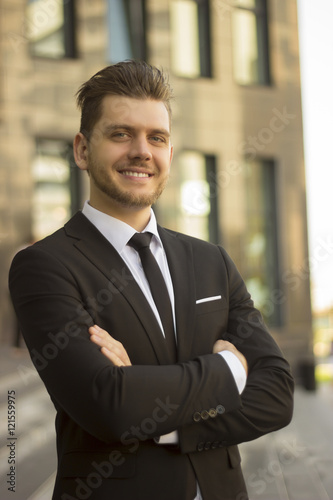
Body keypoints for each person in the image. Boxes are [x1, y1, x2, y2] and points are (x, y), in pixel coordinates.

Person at [9, 60, 294, 500]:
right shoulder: (44, 265)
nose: (141, 151)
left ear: (169, 155)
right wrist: (231, 369)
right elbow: (110, 404)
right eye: (121, 134)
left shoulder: (210, 260)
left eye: (156, 138)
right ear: (82, 150)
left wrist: (161, 417)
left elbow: (276, 393)